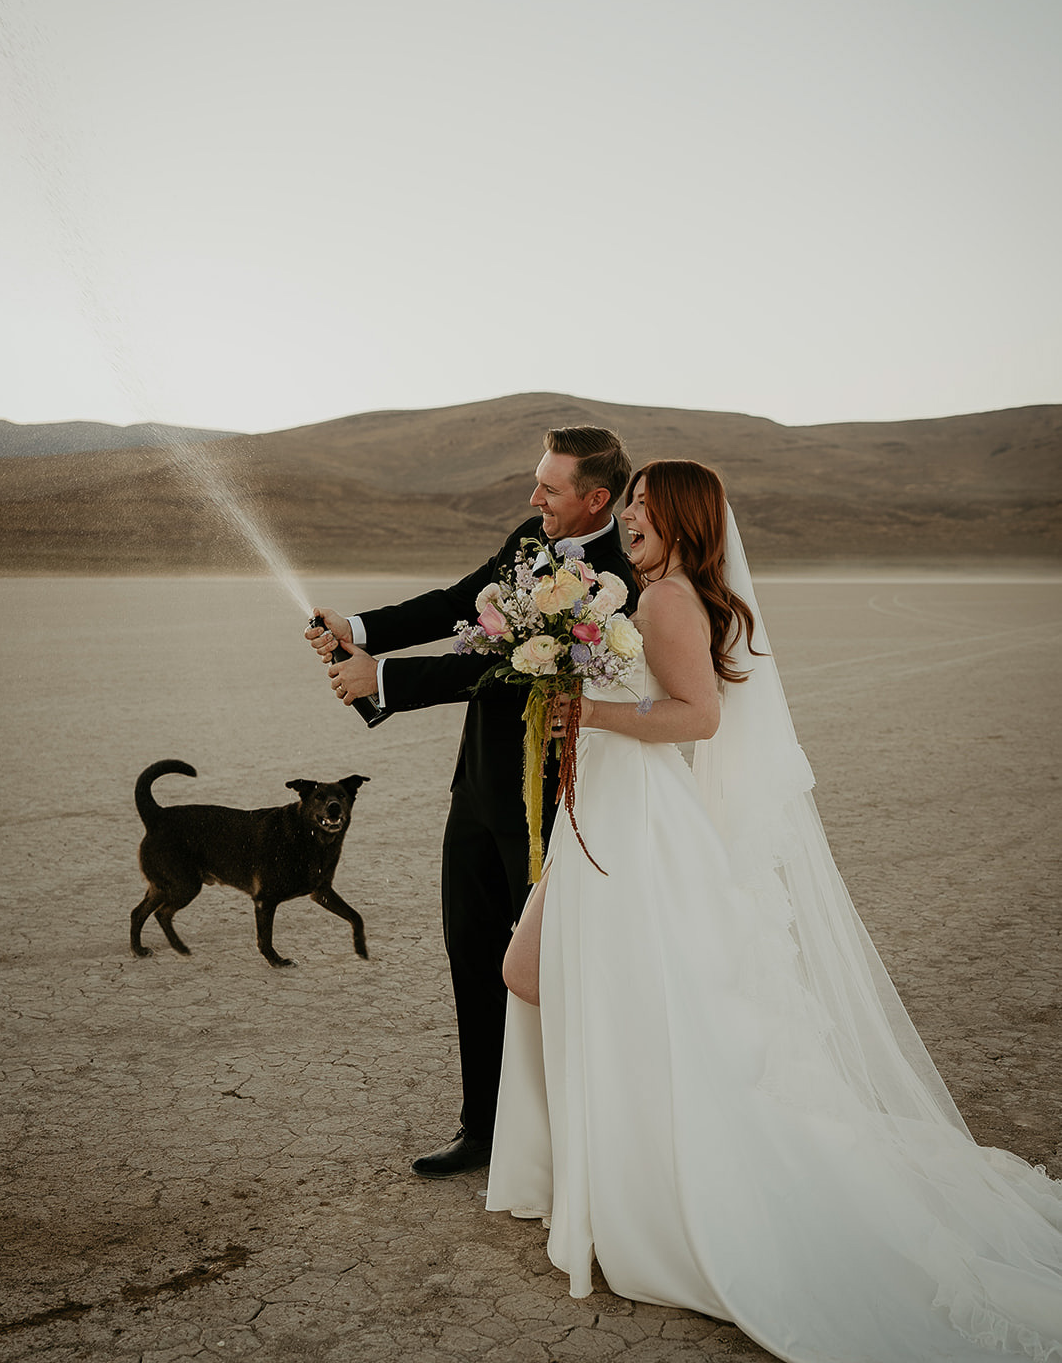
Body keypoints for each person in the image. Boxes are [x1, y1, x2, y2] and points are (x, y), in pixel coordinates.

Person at [486, 460, 1062, 1363]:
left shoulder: (670, 600)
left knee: (570, 980)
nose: (632, 517)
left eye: (646, 506)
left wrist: (593, 718)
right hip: (608, 806)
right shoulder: (649, 593)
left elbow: (697, 717)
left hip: (637, 814)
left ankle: (646, 1182)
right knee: (538, 970)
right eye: (628, 502)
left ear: (682, 522)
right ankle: (610, 1167)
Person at [307, 425, 638, 1177]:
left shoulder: (626, 576)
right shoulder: (529, 538)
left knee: (551, 969)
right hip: (478, 788)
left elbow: (500, 668)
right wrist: (358, 630)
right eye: (535, 483)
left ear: (594, 499)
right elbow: (462, 606)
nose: (533, 499)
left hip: (555, 802)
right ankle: (485, 1129)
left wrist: (382, 683)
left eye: (549, 489)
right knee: (472, 954)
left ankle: (573, 1136)